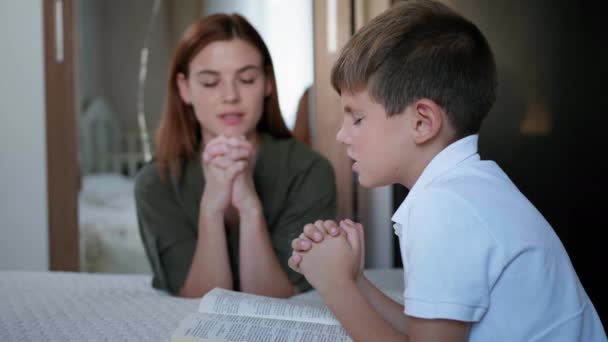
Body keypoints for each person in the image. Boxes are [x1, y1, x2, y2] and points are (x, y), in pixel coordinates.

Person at [288, 1, 607, 341]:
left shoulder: (445, 209)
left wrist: (335, 286)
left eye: (357, 118)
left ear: (422, 122)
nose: (342, 134)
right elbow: (424, 330)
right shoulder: (465, 190)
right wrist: (353, 280)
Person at [134, 13, 337, 298]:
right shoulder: (155, 182)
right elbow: (200, 298)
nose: (230, 95)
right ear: (184, 89)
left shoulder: (310, 172)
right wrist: (211, 209)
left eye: (246, 78)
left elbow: (271, 296)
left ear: (267, 82)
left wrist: (250, 207)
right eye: (209, 82)